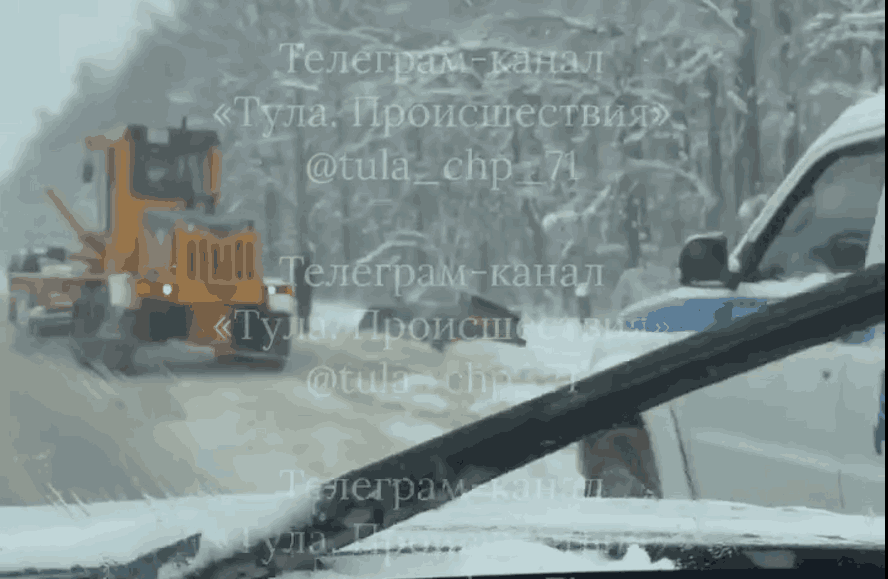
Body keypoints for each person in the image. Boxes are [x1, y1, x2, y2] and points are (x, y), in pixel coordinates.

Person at [293, 244, 315, 335]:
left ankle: (302, 327)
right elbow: (312, 278)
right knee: (304, 309)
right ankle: (304, 327)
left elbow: (296, 278)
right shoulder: (308, 266)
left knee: (301, 309)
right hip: (305, 290)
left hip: (302, 290)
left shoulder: (299, 265)